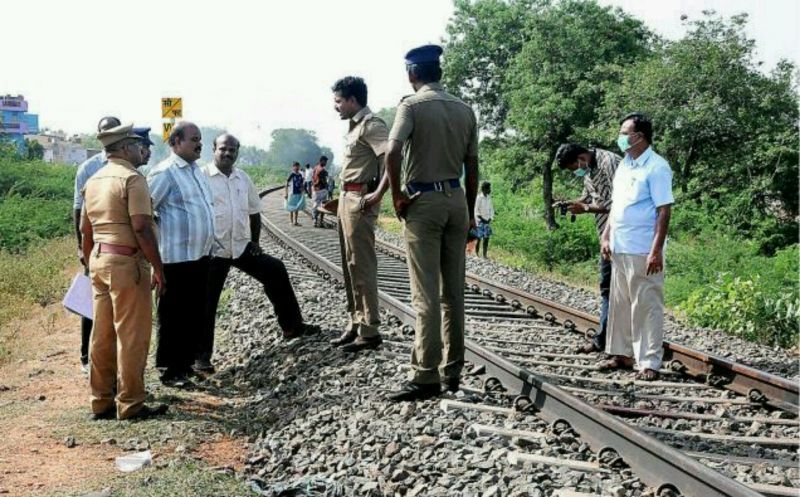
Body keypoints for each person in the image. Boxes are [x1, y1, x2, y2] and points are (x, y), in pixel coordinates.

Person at [385, 44, 479, 401]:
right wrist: (468, 211)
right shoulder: (464, 109)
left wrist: (397, 196)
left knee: (425, 294)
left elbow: (393, 150)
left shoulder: (411, 106)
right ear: (438, 72)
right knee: (453, 293)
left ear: (413, 74)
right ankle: (451, 372)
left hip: (423, 201)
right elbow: (473, 165)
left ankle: (425, 375)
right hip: (456, 200)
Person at [80, 123, 167, 420]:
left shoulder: (93, 181)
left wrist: (92, 261)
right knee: (132, 334)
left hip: (100, 260)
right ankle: (131, 403)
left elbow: (85, 231)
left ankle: (100, 401)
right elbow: (141, 227)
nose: (140, 149)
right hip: (127, 264)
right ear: (126, 147)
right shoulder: (133, 179)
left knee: (101, 335)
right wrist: (157, 266)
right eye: (136, 144)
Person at [201, 134, 307, 372]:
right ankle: (201, 358)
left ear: (237, 152)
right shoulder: (202, 177)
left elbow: (254, 212)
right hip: (214, 251)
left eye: (232, 150)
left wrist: (255, 242)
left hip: (240, 247)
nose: (228, 153)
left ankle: (292, 326)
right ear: (214, 149)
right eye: (223, 149)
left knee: (275, 269)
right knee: (207, 302)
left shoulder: (243, 178)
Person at [599, 112, 674, 382]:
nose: (620, 137)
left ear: (639, 136)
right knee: (621, 304)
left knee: (646, 305)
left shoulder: (657, 167)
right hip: (619, 245)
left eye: (624, 132)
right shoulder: (625, 165)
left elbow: (664, 211)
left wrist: (656, 250)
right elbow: (616, 206)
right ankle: (622, 353)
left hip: (643, 248)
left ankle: (649, 361)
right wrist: (606, 235)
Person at [147, 122, 215, 385]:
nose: (199, 144)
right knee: (173, 315)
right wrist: (154, 262)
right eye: (193, 139)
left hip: (199, 256)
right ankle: (170, 370)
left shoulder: (197, 171)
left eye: (200, 139)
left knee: (194, 313)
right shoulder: (164, 173)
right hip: (174, 259)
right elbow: (146, 213)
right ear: (176, 142)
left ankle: (185, 365)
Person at [329, 76, 390, 352]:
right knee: (349, 264)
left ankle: (370, 329)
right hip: (346, 198)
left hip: (359, 199)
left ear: (353, 100)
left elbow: (390, 160)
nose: (336, 107)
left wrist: (378, 194)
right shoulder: (355, 128)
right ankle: (355, 322)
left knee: (362, 264)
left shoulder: (372, 125)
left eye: (339, 101)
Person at [555, 142, 621, 354]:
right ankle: (605, 340)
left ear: (581, 158)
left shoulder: (608, 163)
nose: (576, 172)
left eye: (574, 168)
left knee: (612, 289)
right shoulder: (589, 169)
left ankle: (609, 343)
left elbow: (619, 202)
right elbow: (588, 197)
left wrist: (585, 208)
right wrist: (569, 203)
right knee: (608, 288)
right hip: (606, 236)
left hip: (621, 234)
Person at [72, 116, 120, 374]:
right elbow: (78, 210)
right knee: (91, 302)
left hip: (121, 246)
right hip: (96, 243)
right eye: (105, 131)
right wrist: (81, 247)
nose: (109, 134)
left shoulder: (130, 164)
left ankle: (111, 357)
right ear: (99, 135)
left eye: (114, 130)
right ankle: (85, 357)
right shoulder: (88, 169)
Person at [474, 181, 494, 258]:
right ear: (484, 189)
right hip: (480, 221)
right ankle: (476, 253)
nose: (490, 190)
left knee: (486, 238)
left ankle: (485, 255)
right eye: (488, 188)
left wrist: (490, 218)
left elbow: (491, 209)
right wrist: (481, 218)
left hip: (487, 221)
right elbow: (476, 210)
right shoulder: (479, 198)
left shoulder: (489, 198)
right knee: (479, 238)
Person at [285, 162, 306, 226]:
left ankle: (296, 221)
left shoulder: (300, 175)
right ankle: (291, 221)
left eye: (298, 166)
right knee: (291, 207)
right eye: (295, 166)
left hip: (298, 193)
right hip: (292, 193)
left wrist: (303, 191)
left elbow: (301, 184)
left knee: (297, 208)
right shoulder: (292, 174)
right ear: (293, 167)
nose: (297, 168)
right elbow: (286, 184)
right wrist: (286, 193)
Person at [311, 156, 330, 227]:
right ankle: (320, 221)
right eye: (325, 162)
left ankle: (315, 220)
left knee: (315, 204)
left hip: (315, 189)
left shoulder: (315, 168)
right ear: (322, 161)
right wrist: (327, 185)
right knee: (323, 205)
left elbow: (313, 177)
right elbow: (323, 180)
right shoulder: (322, 170)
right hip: (322, 189)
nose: (326, 163)